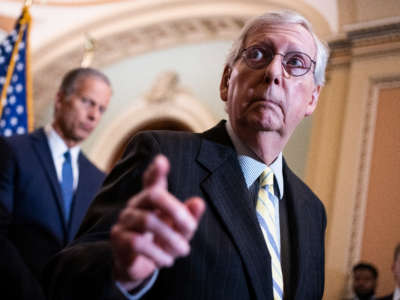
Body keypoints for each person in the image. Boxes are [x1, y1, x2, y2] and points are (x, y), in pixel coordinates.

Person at [44, 10, 328, 300]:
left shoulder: (312, 211)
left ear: (313, 98)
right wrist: (119, 271)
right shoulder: (162, 156)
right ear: (226, 81)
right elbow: (64, 277)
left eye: (295, 63)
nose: (273, 72)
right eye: (257, 54)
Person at [0, 67, 112, 299]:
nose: (94, 116)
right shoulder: (13, 150)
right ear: (60, 99)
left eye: (101, 109)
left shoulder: (98, 179)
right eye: (87, 102)